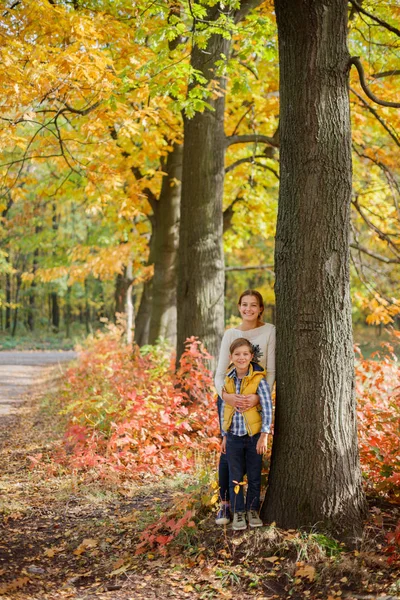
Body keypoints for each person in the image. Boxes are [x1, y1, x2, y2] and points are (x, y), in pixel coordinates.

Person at [214, 289, 275, 526]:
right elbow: (219, 373)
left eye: (254, 305)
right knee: (228, 453)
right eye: (244, 304)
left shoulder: (270, 330)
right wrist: (226, 396)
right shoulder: (231, 334)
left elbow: (270, 371)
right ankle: (226, 504)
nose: (249, 309)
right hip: (230, 396)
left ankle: (250, 507)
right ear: (239, 307)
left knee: (251, 452)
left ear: (260, 308)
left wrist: (260, 399)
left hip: (256, 395)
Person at [220, 337, 272, 530]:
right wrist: (224, 435)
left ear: (251, 356)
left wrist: (264, 435)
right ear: (231, 357)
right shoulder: (228, 379)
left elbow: (267, 408)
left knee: (254, 476)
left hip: (253, 438)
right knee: (235, 477)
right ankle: (238, 512)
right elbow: (225, 410)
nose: (241, 358)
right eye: (237, 354)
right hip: (233, 437)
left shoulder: (259, 380)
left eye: (245, 354)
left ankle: (252, 510)